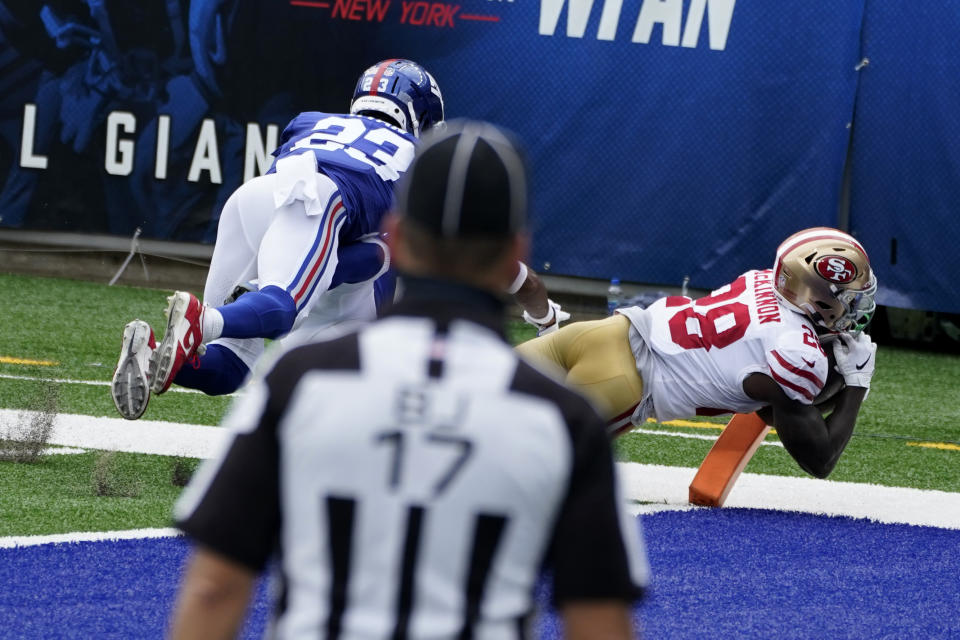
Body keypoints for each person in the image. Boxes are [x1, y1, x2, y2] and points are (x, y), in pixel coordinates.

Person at [169, 121, 648, 640]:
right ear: (516, 249)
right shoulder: (561, 416)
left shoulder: (299, 382)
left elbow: (214, 588)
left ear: (395, 237)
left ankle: (210, 327)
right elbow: (599, 621)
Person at [110, 59, 566, 420]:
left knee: (231, 366)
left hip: (254, 198)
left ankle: (154, 356)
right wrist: (545, 314)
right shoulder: (419, 161)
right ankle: (203, 321)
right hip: (316, 204)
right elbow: (379, 256)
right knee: (283, 309)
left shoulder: (310, 121)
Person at [517, 226, 878, 479]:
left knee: (470, 392)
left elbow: (774, 412)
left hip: (598, 333)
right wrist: (856, 383)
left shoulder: (758, 280)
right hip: (623, 382)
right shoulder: (796, 352)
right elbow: (819, 460)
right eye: (850, 296)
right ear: (819, 296)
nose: (858, 303)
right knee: (516, 467)